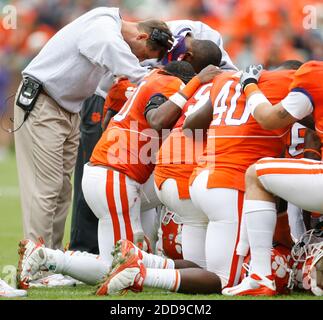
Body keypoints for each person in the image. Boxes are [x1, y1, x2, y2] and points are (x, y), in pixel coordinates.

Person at [69, 18, 238, 254]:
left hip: (106, 170)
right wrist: (193, 85)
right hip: (116, 176)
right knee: (127, 261)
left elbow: (108, 120)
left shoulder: (148, 76)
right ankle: (53, 259)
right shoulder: (170, 83)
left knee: (115, 259)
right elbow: (158, 120)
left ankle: (57, 258)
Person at [14, 7, 173, 250]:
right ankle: (36, 264)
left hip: (66, 109)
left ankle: (50, 259)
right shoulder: (103, 26)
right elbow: (126, 65)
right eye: (144, 54)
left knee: (61, 191)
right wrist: (162, 82)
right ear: (141, 37)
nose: (140, 60)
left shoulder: (110, 32)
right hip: (43, 103)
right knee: (45, 189)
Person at [223, 60, 323, 296]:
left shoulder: (315, 73)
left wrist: (249, 84)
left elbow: (269, 119)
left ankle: (260, 276)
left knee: (257, 173)